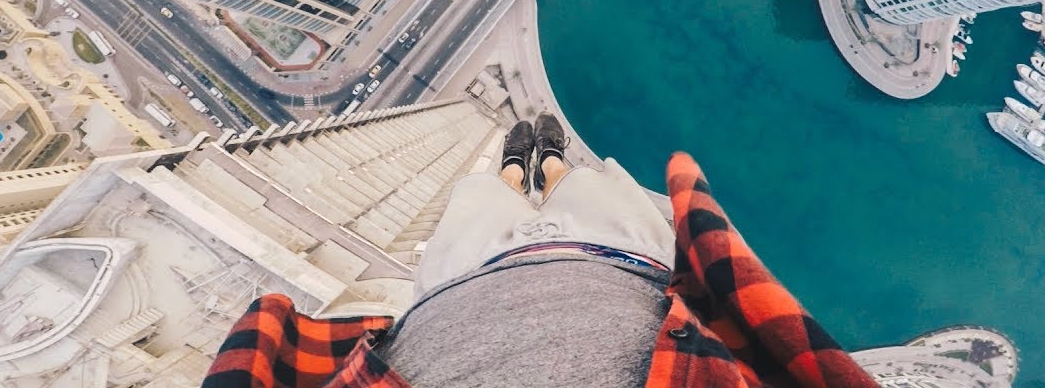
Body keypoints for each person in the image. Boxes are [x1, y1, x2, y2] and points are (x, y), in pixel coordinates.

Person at [203, 112, 879, 388]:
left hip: (462, 283)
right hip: (618, 264)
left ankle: (517, 169)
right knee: (581, 184)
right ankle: (548, 165)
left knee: (481, 196)